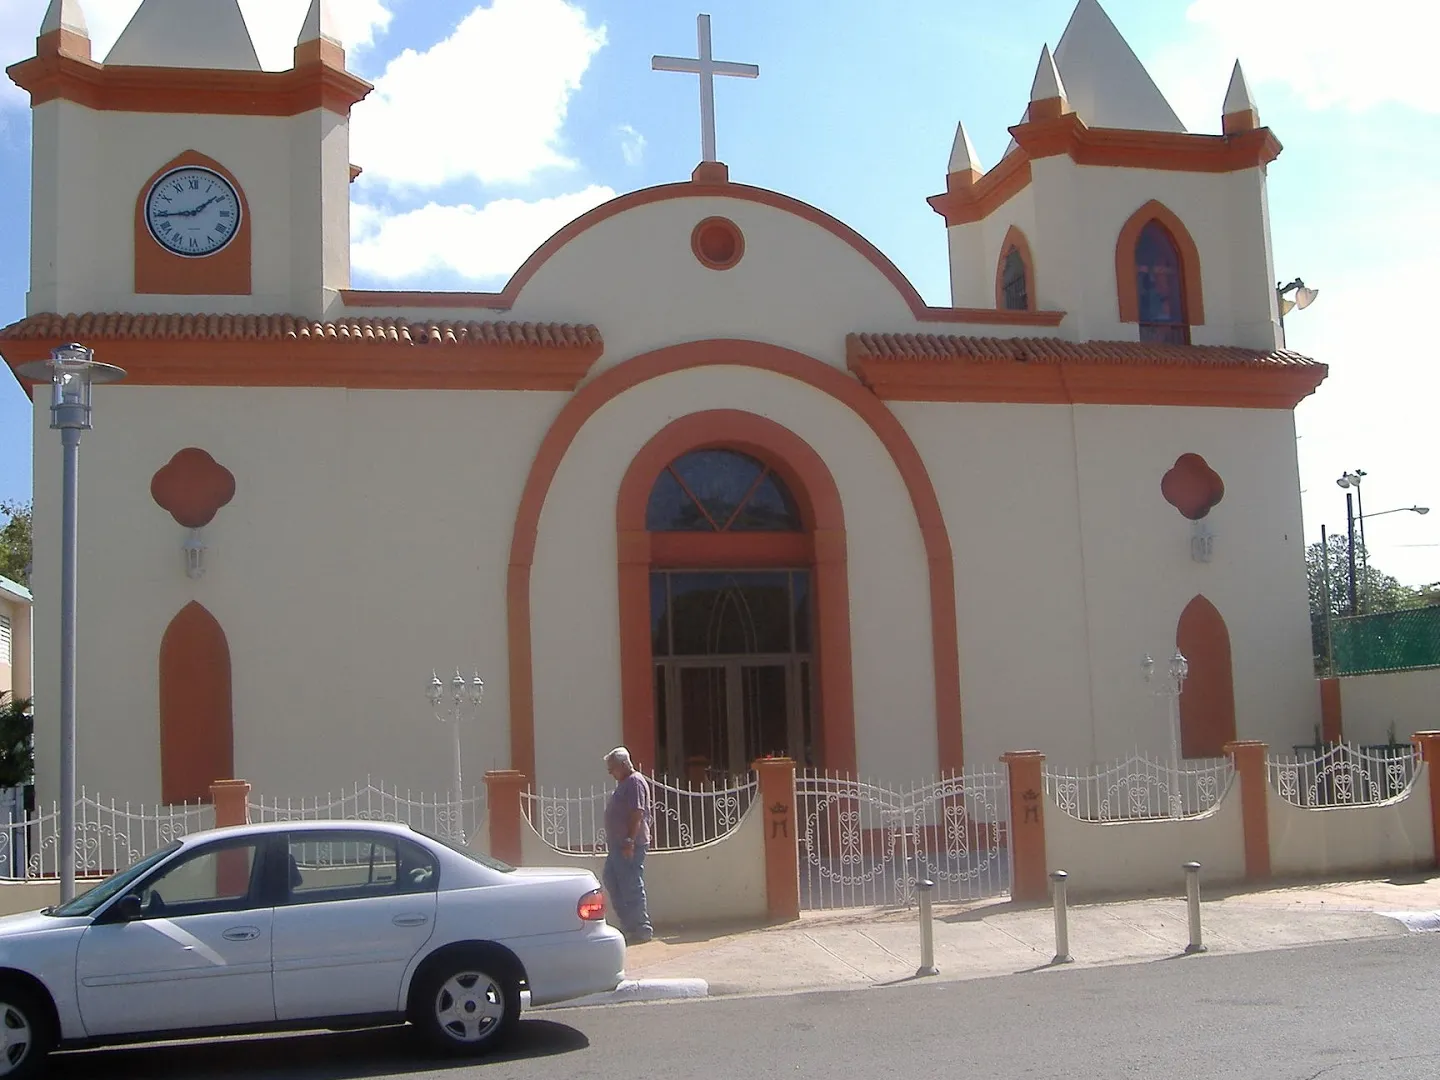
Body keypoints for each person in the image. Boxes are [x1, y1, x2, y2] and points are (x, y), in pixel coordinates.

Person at [602, 746, 653, 944]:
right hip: (618, 844)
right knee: (613, 879)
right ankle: (629, 924)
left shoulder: (634, 782)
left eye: (612, 768)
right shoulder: (625, 783)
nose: (610, 772)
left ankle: (641, 927)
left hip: (629, 844)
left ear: (623, 765)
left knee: (631, 884)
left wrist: (630, 840)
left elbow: (637, 813)